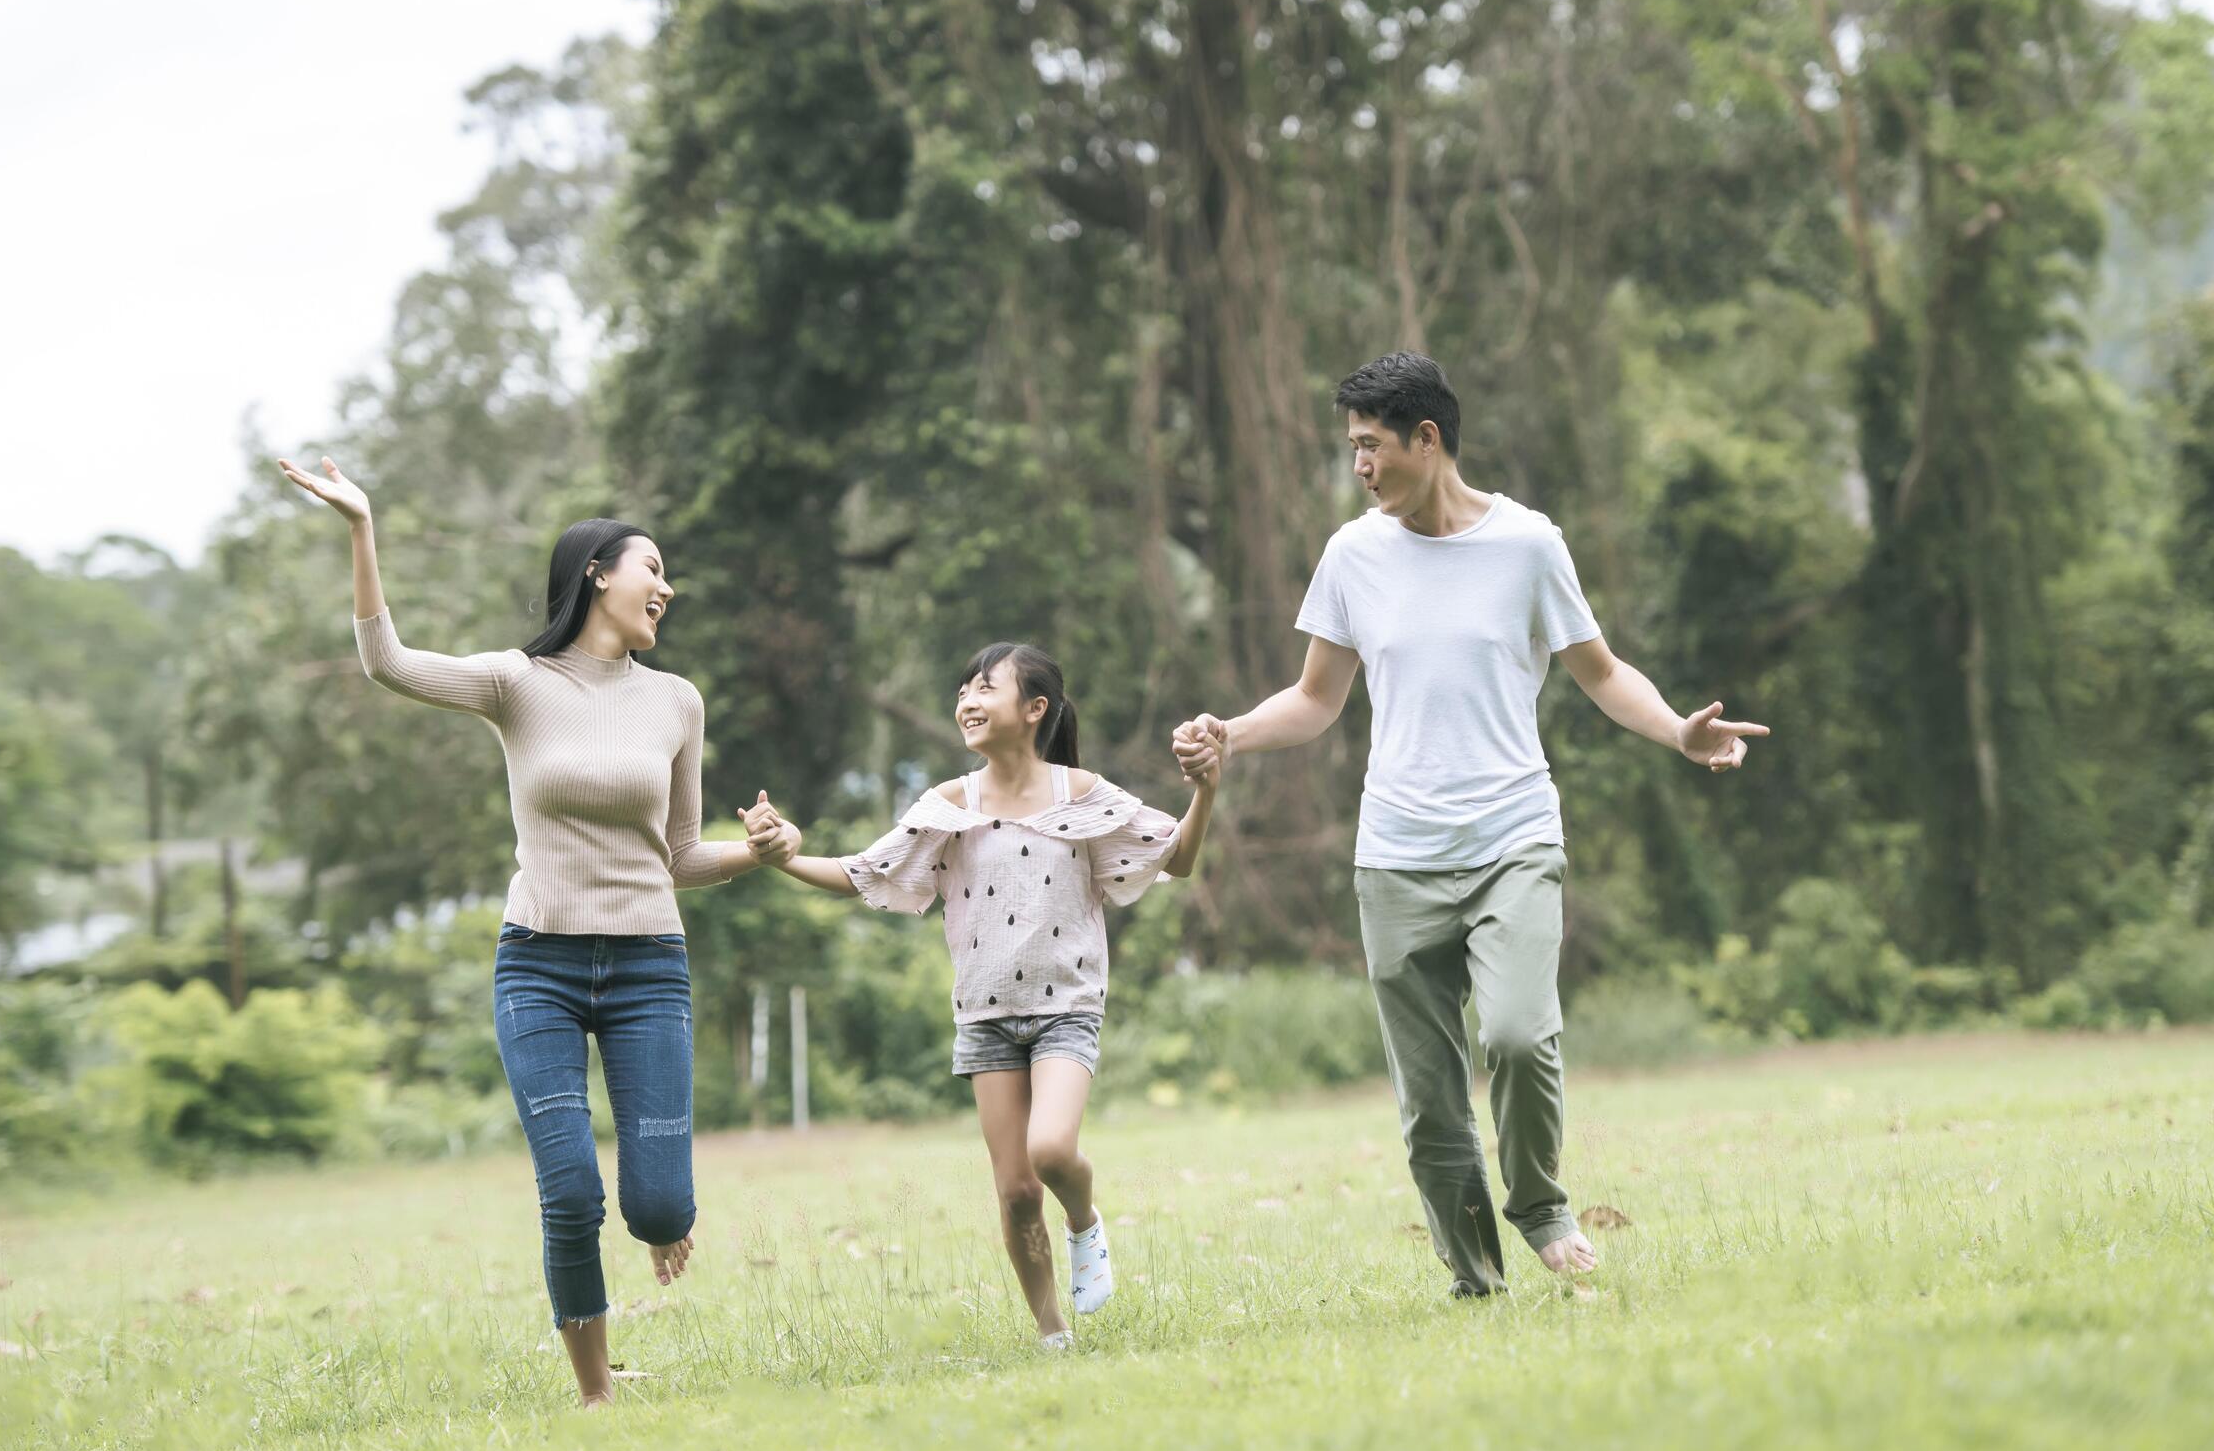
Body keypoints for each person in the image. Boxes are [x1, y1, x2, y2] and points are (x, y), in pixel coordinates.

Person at [1170, 353, 1767, 1297]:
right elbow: (1317, 699)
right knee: (1430, 1103)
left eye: (1371, 448)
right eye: (1351, 450)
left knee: (1522, 1036)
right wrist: (1230, 735)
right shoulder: (1352, 555)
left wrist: (1677, 734)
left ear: (1428, 439)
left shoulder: (1529, 545)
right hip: (1396, 856)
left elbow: (1601, 672)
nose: (1359, 467)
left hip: (1511, 837)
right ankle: (1473, 1275)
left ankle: (1540, 1206)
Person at [278, 456, 790, 1406]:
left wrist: (759, 851)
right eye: (653, 568)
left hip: (649, 968)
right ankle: (595, 1393)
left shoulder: (677, 701)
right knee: (569, 1193)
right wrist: (361, 527)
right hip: (538, 969)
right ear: (598, 573)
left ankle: (667, 1213)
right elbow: (386, 662)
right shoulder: (516, 683)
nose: (666, 588)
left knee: (656, 1206)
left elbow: (681, 854)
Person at [749, 643, 1215, 1347]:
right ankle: (1051, 1332)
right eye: (963, 688)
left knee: (1052, 1153)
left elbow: (1174, 856)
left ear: (1034, 710)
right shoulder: (947, 805)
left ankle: (1085, 1221)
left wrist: (1205, 790)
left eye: (984, 688)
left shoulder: (1080, 795)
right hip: (986, 1019)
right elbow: (864, 870)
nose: (967, 700)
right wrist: (784, 858)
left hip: (1066, 1009)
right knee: (1017, 1192)